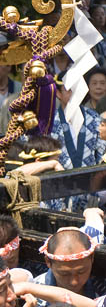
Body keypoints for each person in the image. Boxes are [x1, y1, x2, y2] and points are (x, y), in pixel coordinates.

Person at [50, 73, 106, 210]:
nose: (74, 95)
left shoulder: (94, 118)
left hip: (91, 191)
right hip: (60, 191)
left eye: (77, 90)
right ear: (58, 93)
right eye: (69, 90)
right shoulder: (50, 123)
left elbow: (102, 153)